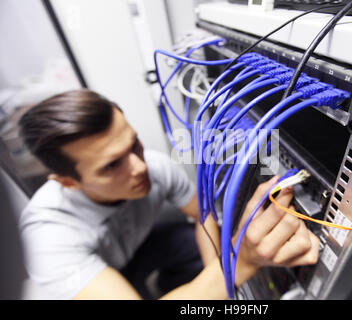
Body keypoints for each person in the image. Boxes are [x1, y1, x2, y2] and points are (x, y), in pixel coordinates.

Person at [18, 89, 319, 300]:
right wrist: (242, 263)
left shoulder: (154, 167)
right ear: (68, 182)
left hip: (141, 248)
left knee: (190, 243)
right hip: (94, 273)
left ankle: (177, 285)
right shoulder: (47, 237)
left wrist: (220, 271)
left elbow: (203, 218)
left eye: (133, 145)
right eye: (112, 165)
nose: (139, 167)